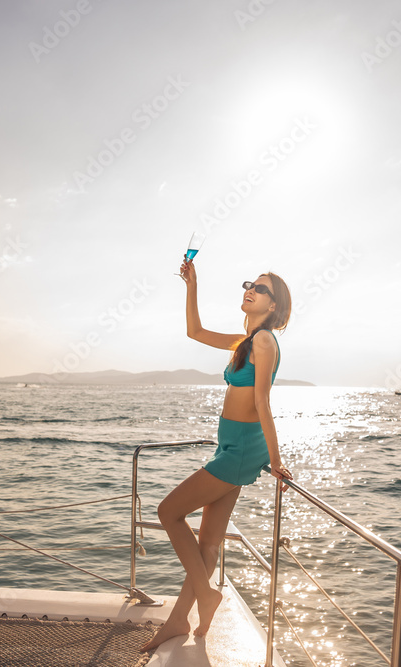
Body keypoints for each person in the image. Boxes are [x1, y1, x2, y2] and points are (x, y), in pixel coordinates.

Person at [141, 257, 292, 652]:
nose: (250, 290)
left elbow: (262, 401)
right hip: (233, 446)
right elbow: (194, 331)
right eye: (249, 284)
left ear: (273, 305)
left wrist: (275, 461)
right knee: (207, 545)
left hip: (241, 450)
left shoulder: (263, 341)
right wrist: (192, 284)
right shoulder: (244, 341)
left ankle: (206, 597)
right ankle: (178, 622)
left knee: (168, 512)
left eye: (260, 289)